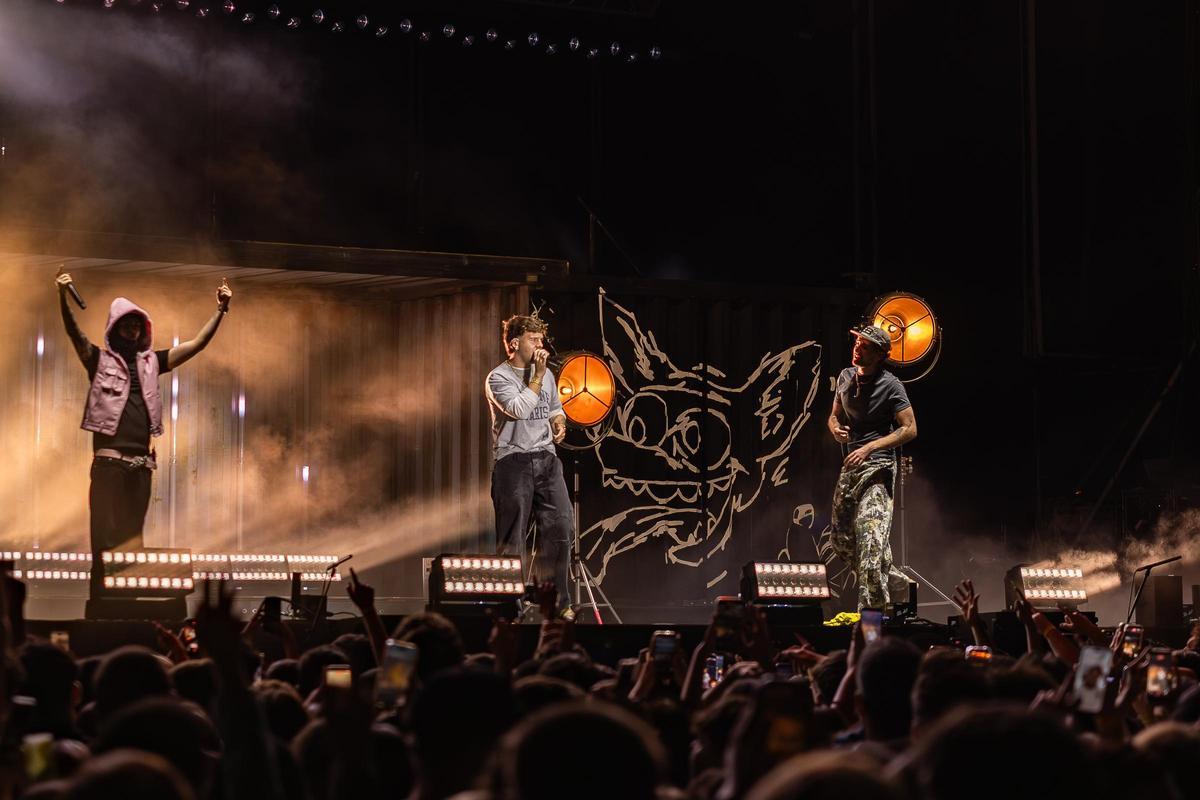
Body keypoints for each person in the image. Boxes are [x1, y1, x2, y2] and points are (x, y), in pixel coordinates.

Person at [56, 271, 232, 599]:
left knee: (131, 540)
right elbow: (72, 332)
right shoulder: (98, 360)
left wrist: (220, 310)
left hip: (140, 467)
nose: (133, 329)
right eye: (127, 324)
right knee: (105, 540)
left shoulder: (153, 363)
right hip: (109, 466)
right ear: (115, 328)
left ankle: (126, 602)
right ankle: (102, 605)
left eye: (137, 325)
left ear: (143, 331)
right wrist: (62, 296)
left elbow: (196, 345)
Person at [484, 314, 572, 617]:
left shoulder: (545, 374)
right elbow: (520, 409)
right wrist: (536, 374)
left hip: (546, 458)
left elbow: (554, 408)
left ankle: (558, 603)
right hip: (513, 461)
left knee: (561, 526)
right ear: (514, 343)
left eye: (541, 339)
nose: (540, 345)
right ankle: (511, 607)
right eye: (533, 340)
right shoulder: (499, 377)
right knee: (512, 538)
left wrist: (560, 422)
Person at [827, 325, 917, 609]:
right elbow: (834, 415)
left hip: (878, 468)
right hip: (851, 468)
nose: (857, 348)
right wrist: (835, 428)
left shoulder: (891, 385)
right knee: (840, 540)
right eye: (857, 342)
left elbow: (910, 429)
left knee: (869, 549)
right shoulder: (845, 377)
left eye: (865, 346)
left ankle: (874, 621)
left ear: (880, 354)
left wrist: (870, 447)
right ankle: (893, 578)